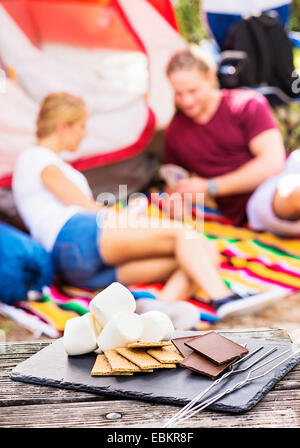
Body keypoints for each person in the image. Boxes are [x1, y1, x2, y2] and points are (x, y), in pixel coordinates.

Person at [13, 91, 265, 328]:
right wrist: (127, 217)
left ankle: (157, 314)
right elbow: (84, 207)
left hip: (75, 267)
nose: (84, 133)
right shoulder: (38, 158)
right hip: (75, 233)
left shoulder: (39, 162)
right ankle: (225, 298)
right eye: (80, 126)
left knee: (203, 252)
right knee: (185, 234)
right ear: (62, 126)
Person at [164, 45, 300, 237]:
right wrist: (177, 199)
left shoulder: (247, 104)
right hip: (259, 199)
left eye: (193, 91)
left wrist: (211, 186)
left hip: (289, 168)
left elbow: (273, 162)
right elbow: (174, 183)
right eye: (179, 93)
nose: (186, 101)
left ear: (209, 78)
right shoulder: (175, 133)